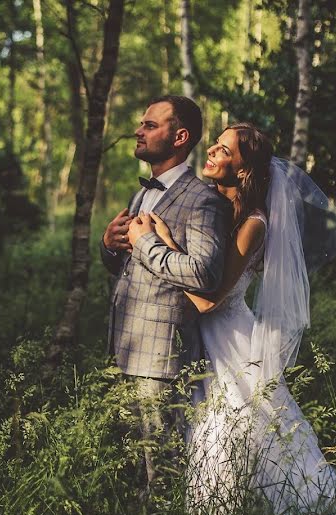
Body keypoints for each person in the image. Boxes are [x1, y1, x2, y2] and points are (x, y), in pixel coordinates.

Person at [143, 123, 336, 515]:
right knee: (210, 433)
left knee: (245, 433)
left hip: (229, 339)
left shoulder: (254, 224)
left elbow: (208, 298)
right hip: (202, 337)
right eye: (215, 145)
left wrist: (160, 246)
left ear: (244, 170)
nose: (211, 151)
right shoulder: (211, 206)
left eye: (224, 150)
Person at [100, 95, 231, 494]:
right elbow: (127, 265)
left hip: (160, 359)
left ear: (180, 136)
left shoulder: (202, 200)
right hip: (123, 347)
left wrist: (144, 244)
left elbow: (204, 274)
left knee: (161, 473)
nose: (138, 131)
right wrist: (109, 245)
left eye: (150, 125)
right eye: (141, 124)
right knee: (125, 470)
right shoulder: (141, 194)